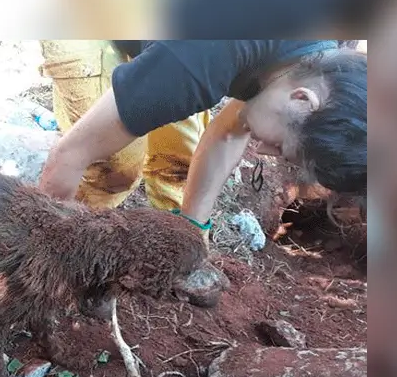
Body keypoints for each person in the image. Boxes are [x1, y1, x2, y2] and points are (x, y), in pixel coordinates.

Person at [36, 40, 368, 239]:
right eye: (280, 147)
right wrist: (39, 249)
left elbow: (228, 131)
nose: (264, 151)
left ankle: (167, 239)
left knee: (176, 159)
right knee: (114, 167)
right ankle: (69, 250)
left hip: (176, 41)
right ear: (302, 99)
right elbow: (69, 156)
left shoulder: (311, 62)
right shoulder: (203, 60)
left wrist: (194, 233)